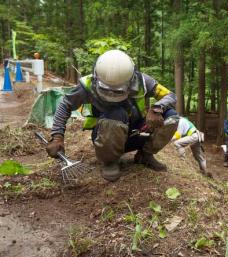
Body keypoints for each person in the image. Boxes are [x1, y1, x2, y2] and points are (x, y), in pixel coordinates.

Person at [46, 50, 179, 182]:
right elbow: (65, 105)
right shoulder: (86, 85)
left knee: (172, 117)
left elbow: (171, 96)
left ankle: (145, 154)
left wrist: (157, 108)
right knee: (116, 113)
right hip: (107, 138)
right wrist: (57, 136)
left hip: (139, 132)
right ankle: (109, 161)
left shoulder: (142, 81)